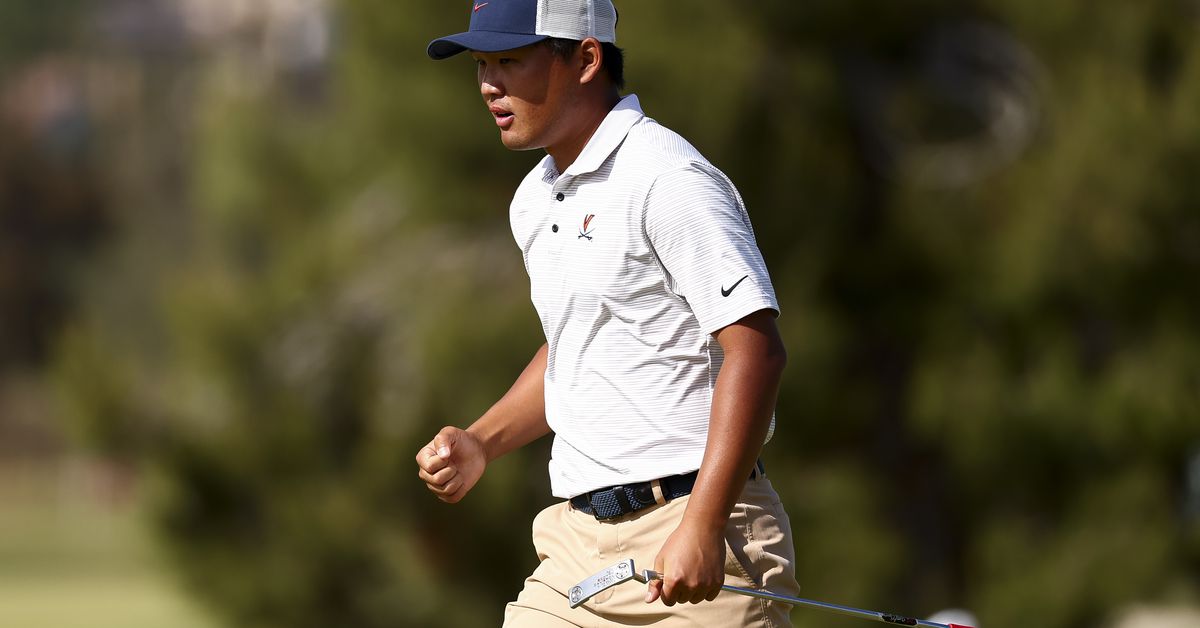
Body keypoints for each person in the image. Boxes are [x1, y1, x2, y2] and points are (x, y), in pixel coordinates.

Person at [415, 1, 801, 625]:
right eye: (482, 64)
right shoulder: (534, 198)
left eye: (509, 61)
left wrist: (702, 524)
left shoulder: (668, 178)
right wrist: (482, 441)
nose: (488, 84)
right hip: (574, 547)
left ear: (587, 59)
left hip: (702, 531)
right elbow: (576, 345)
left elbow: (757, 352)